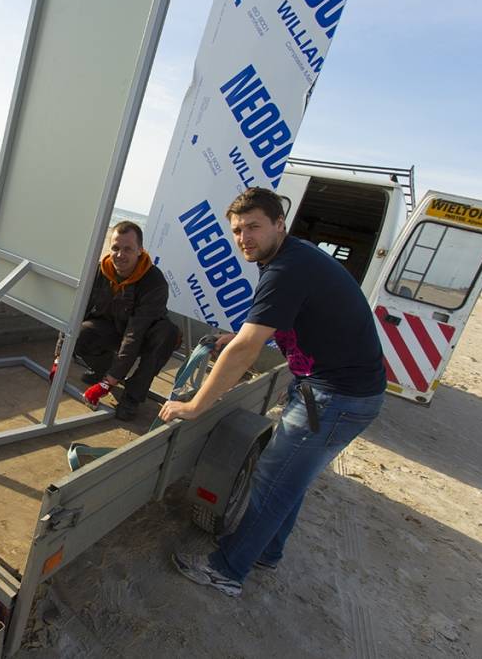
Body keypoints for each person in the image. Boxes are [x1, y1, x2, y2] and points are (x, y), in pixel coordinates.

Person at [160, 186, 385, 597]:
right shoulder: (288, 258)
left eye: (254, 227)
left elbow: (246, 350)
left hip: (336, 397)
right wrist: (240, 335)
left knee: (272, 479)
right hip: (330, 392)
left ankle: (226, 569)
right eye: (237, 230)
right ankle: (268, 551)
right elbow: (274, 326)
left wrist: (195, 405)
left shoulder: (285, 269)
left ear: (279, 224)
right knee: (288, 476)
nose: (244, 237)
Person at [51, 221, 180, 421]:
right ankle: (103, 370)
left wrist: (108, 383)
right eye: (116, 248)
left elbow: (135, 334)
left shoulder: (155, 282)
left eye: (128, 249)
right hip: (113, 327)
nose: (120, 255)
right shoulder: (99, 272)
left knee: (167, 334)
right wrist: (59, 357)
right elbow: (75, 313)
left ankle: (132, 396)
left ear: (140, 251)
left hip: (143, 334)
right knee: (83, 333)